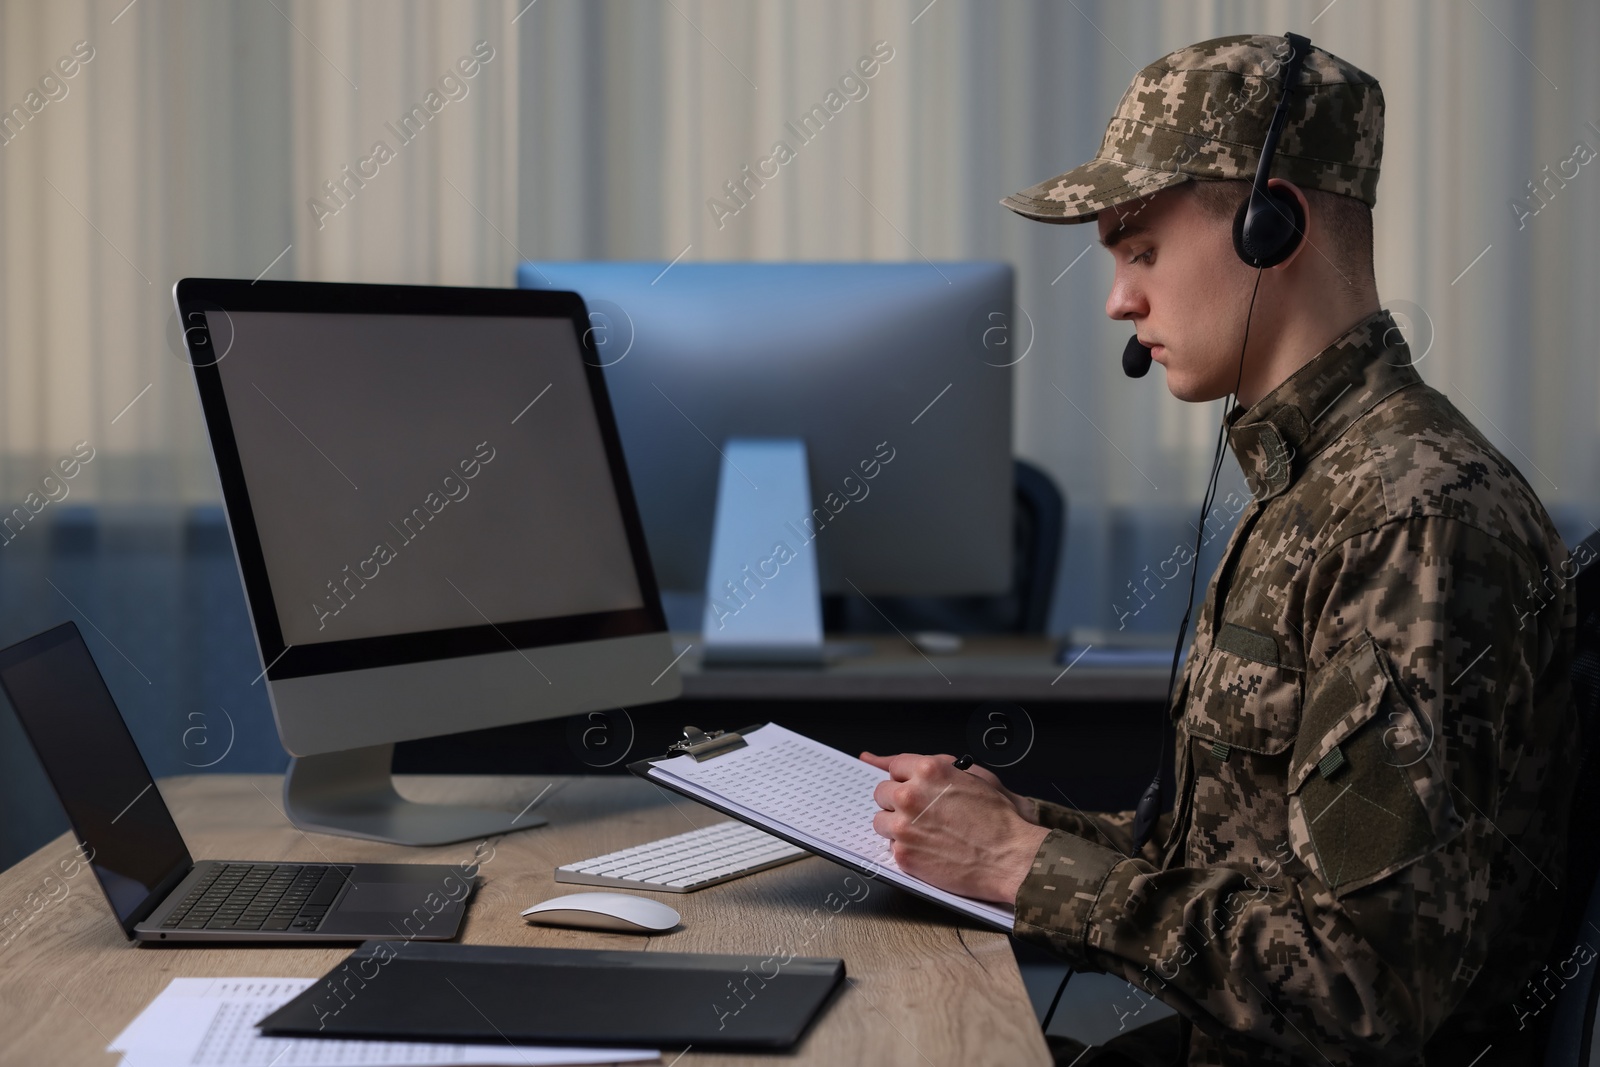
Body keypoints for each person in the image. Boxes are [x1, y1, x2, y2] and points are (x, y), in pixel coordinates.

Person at [863, 33, 1581, 1065]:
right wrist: (1008, 823)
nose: (1116, 300)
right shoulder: (1308, 484)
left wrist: (1024, 865)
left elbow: (1358, 988)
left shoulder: (1410, 517)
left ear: (1267, 226)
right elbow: (1234, 869)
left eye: (1139, 249)